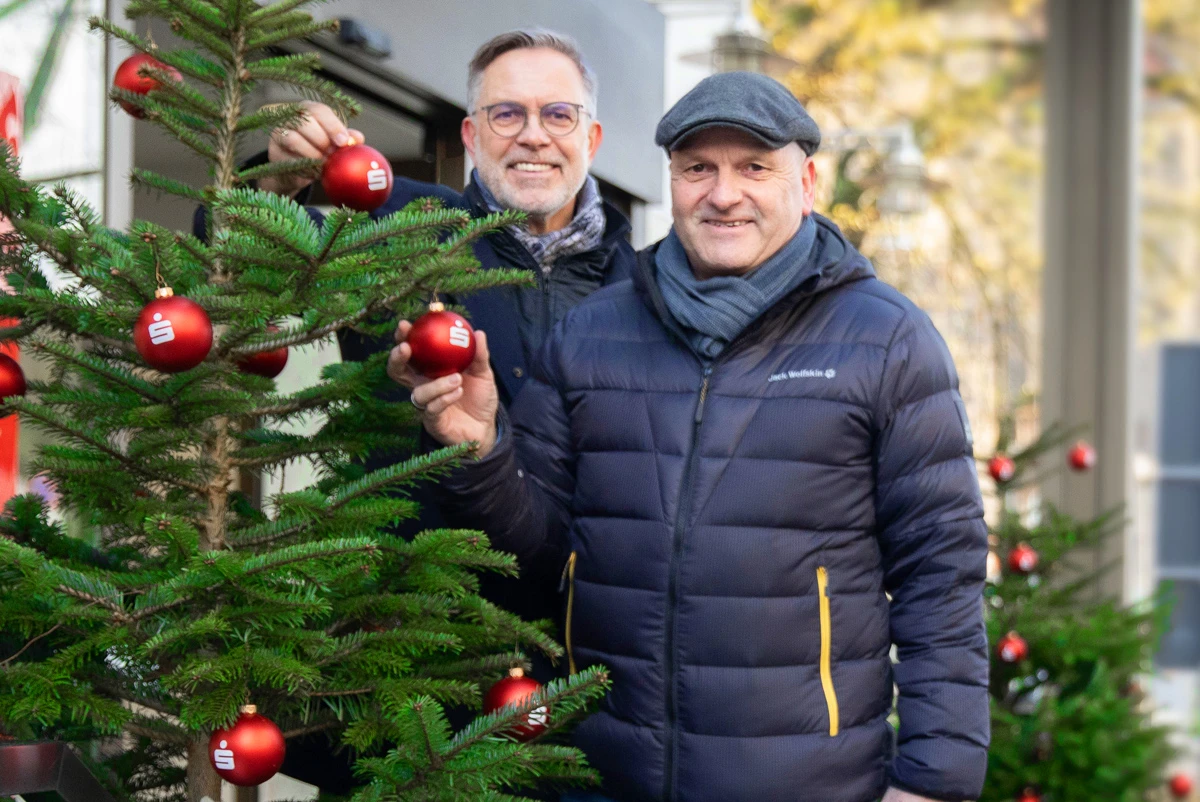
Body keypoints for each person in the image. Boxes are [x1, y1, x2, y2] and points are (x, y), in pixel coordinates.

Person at [388, 71, 990, 802]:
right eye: (698, 168)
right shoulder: (594, 334)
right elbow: (543, 552)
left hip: (810, 782)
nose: (724, 193)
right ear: (670, 179)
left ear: (807, 181)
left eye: (754, 168)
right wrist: (479, 447)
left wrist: (933, 780)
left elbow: (942, 575)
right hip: (605, 776)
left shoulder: (887, 340)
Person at [234, 29, 637, 794]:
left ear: (591, 136)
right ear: (470, 132)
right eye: (505, 113)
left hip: (575, 686)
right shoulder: (396, 227)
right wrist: (277, 182)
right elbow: (228, 257)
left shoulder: (645, 288)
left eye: (557, 115)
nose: (532, 137)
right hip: (403, 680)